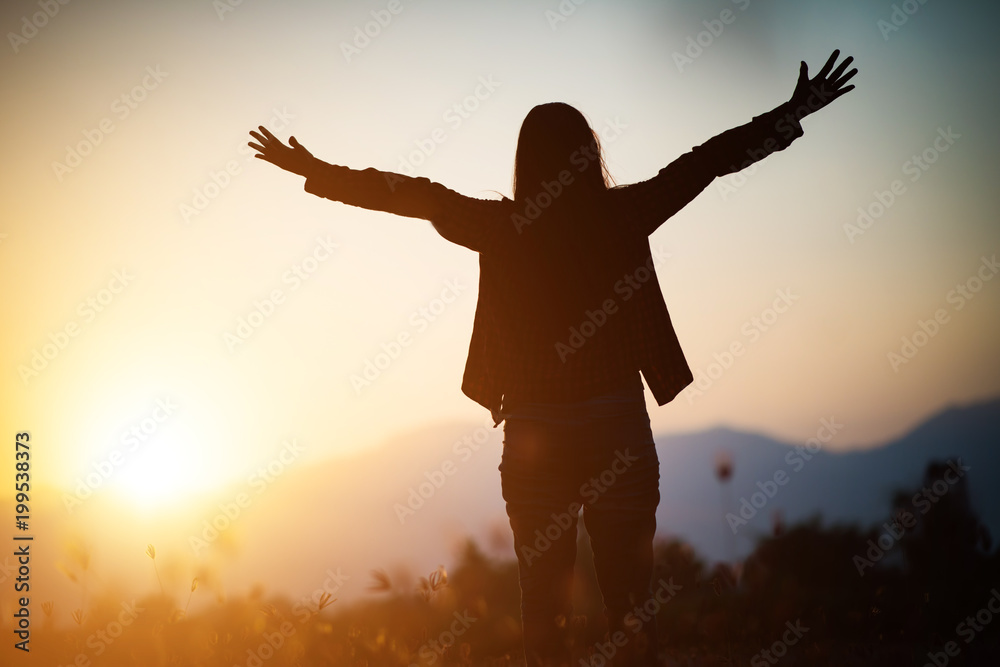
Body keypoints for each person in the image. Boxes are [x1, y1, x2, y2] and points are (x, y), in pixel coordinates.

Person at [248, 49, 857, 666]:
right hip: (617, 423)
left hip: (536, 431)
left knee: (544, 614)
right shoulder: (625, 214)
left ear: (524, 161)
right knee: (630, 613)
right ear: (589, 154)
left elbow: (414, 195)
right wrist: (792, 111)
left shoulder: (501, 226)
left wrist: (318, 170)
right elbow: (707, 163)